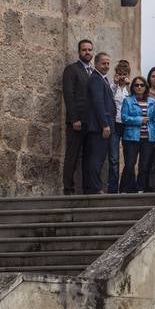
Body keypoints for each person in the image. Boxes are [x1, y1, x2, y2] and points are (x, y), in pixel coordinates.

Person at [62, 39, 94, 195]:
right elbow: (69, 95)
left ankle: (87, 189)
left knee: (89, 157)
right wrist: (74, 119)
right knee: (72, 155)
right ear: (79, 52)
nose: (87, 52)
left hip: (91, 123)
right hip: (77, 122)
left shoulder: (94, 72)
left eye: (89, 50)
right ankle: (68, 189)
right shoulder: (71, 70)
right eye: (84, 50)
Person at [120, 77, 155, 193]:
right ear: (132, 87)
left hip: (148, 138)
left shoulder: (152, 101)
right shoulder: (128, 101)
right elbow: (124, 118)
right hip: (131, 138)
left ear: (146, 87)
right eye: (136, 85)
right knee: (129, 165)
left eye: (142, 85)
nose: (139, 87)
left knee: (144, 165)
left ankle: (141, 189)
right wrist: (139, 120)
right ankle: (125, 189)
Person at [86, 52, 116, 194]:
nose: (106, 66)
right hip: (99, 127)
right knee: (96, 159)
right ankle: (95, 188)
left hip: (103, 126)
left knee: (99, 158)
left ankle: (96, 187)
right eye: (103, 63)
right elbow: (98, 103)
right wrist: (105, 125)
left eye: (108, 63)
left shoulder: (102, 79)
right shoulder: (96, 79)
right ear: (96, 64)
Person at [109, 61, 131, 193]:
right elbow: (108, 97)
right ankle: (112, 189)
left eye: (125, 74)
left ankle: (125, 187)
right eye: (120, 74)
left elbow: (135, 100)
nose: (122, 76)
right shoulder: (112, 87)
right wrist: (115, 83)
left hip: (127, 125)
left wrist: (128, 85)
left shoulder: (131, 88)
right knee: (113, 158)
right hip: (114, 124)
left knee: (129, 158)